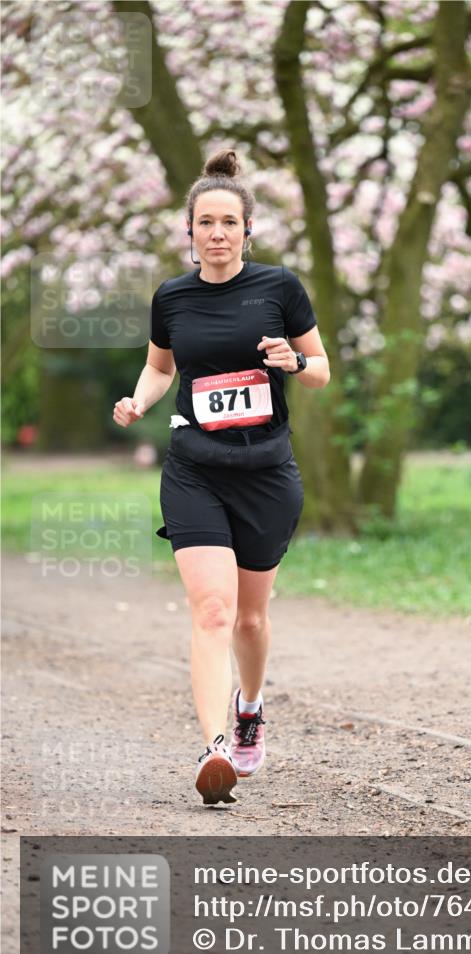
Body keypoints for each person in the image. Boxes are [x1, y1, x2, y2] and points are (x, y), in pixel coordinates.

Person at [113, 147, 330, 805]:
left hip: (265, 472)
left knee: (251, 620)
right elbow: (160, 366)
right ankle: (214, 748)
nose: (215, 233)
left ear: (246, 231)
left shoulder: (280, 288)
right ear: (190, 233)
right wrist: (138, 399)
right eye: (204, 223)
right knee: (212, 610)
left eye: (227, 223)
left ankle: (250, 707)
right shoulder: (171, 297)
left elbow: (319, 368)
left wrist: (290, 358)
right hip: (194, 471)